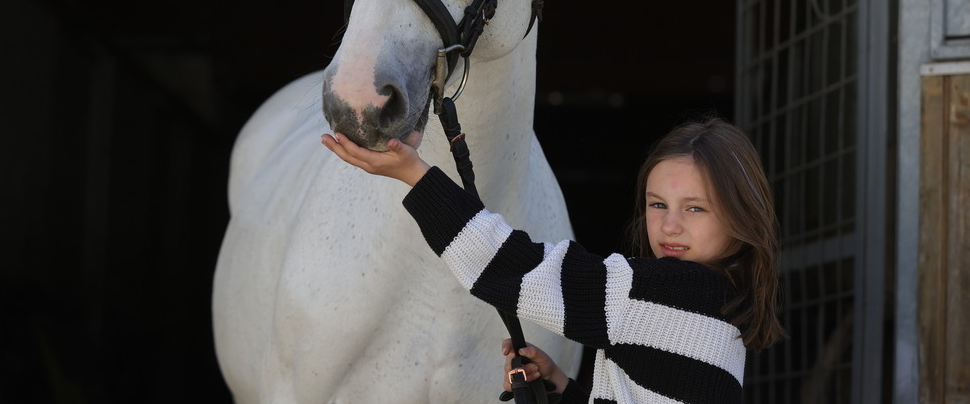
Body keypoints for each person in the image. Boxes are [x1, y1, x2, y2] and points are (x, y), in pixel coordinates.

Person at [321, 116, 785, 403]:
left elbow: (514, 268)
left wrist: (416, 176)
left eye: (696, 208)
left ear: (741, 217)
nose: (669, 225)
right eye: (657, 204)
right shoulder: (724, 307)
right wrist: (561, 386)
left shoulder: (674, 291)